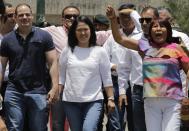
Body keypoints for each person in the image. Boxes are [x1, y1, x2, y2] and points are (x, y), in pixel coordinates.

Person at [106, 5, 189, 131]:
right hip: (150, 102)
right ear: (150, 31)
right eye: (155, 27)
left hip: (172, 102)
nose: (158, 29)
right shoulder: (145, 47)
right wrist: (113, 19)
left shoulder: (177, 48)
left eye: (162, 26)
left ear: (168, 30)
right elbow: (120, 39)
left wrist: (186, 96)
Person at [0, 3, 59, 131]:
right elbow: (1, 67)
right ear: (15, 18)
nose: (24, 17)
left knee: (38, 128)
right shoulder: (7, 40)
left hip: (38, 91)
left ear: (32, 16)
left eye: (27, 14)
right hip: (14, 91)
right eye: (21, 15)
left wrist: (54, 87)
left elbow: (53, 62)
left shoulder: (44, 36)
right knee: (15, 128)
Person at [59, 15, 115, 131]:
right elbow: (62, 76)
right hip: (70, 101)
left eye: (86, 29)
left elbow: (106, 78)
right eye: (79, 30)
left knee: (88, 129)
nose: (83, 33)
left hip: (94, 101)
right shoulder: (67, 50)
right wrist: (57, 93)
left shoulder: (100, 51)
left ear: (91, 30)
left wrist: (110, 98)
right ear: (74, 32)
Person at [103, 3, 143, 131]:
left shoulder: (144, 35)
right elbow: (102, 58)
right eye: (121, 17)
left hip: (137, 85)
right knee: (116, 121)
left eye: (128, 16)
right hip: (116, 82)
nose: (125, 20)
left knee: (136, 122)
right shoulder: (112, 37)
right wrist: (113, 66)